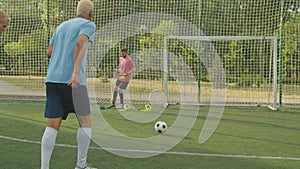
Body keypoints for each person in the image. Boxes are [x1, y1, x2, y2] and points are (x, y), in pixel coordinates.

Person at [41, 0, 96, 169]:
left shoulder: (61, 26)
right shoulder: (89, 24)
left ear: (75, 11)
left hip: (52, 79)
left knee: (53, 125)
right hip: (73, 82)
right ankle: (81, 165)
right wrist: (76, 72)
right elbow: (80, 43)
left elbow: (49, 52)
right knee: (85, 122)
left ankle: (44, 167)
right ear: (91, 14)